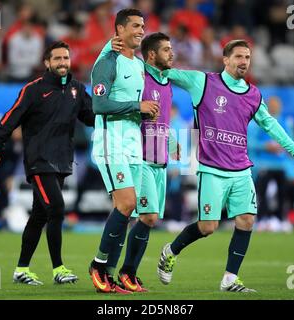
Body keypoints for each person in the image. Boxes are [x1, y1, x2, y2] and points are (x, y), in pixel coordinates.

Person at [156, 39, 294, 292]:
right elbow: (165, 72)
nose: (244, 62)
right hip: (212, 169)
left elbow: (270, 124)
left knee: (246, 220)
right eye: (239, 56)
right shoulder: (203, 82)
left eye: (248, 57)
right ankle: (170, 251)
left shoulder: (253, 94)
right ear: (226, 59)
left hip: (241, 170)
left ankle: (230, 278)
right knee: (208, 227)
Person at [0, 41, 95, 285]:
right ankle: (59, 269)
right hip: (39, 161)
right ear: (47, 63)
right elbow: (9, 119)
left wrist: (116, 112)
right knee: (56, 209)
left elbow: (91, 117)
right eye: (57, 59)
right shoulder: (34, 89)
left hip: (62, 162)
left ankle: (21, 270)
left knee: (39, 215)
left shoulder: (77, 88)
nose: (63, 63)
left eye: (66, 58)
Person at [99, 32, 180, 292]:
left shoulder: (167, 80)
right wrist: (106, 47)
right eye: (166, 50)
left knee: (147, 218)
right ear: (152, 54)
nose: (172, 54)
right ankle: (116, 272)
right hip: (139, 154)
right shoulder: (139, 73)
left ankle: (124, 272)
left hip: (160, 157)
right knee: (140, 215)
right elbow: (117, 69)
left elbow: (162, 117)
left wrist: (171, 141)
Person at [88, 8, 159, 294]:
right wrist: (136, 107)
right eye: (134, 26)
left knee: (139, 211)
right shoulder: (107, 61)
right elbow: (99, 105)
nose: (141, 31)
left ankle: (110, 273)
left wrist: (145, 113)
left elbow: (132, 104)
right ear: (118, 30)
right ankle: (98, 265)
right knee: (127, 203)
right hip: (110, 143)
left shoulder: (139, 64)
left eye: (143, 26)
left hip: (133, 145)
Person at [247, 96, 294, 230]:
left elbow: (292, 143)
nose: (275, 107)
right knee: (261, 193)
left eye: (277, 105)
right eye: (273, 105)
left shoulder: (286, 122)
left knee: (283, 194)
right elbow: (250, 143)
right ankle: (262, 219)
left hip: (282, 166)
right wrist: (266, 146)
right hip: (263, 164)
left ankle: (281, 219)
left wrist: (282, 146)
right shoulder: (258, 122)